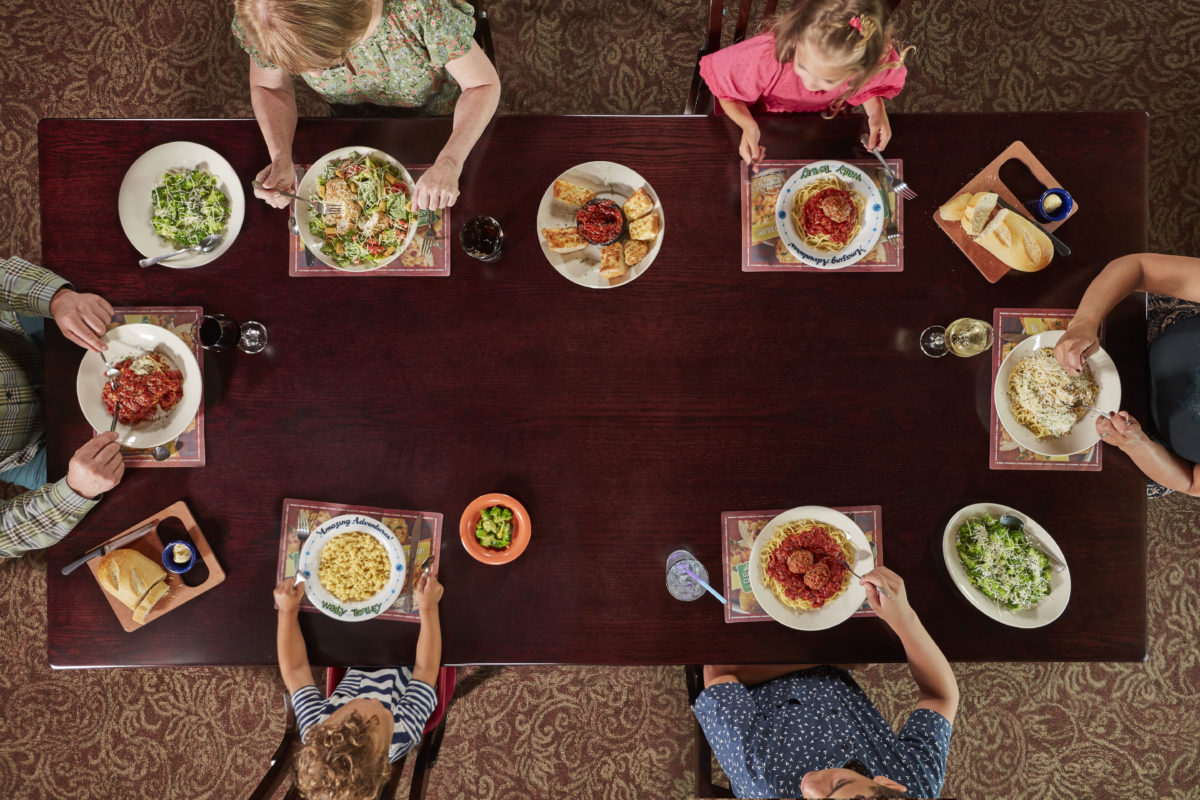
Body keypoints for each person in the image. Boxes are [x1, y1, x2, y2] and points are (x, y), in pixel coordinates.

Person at [694, 566, 957, 799]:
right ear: (889, 784)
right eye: (838, 783)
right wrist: (904, 618)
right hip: (831, 645)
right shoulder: (915, 787)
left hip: (754, 655)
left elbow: (718, 672)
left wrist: (832, 658)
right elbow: (940, 697)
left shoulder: (762, 781)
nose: (810, 788)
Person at [233, 0, 501, 211]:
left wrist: (451, 161)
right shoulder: (262, 17)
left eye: (328, 64)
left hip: (438, 117)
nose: (314, 77)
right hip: (350, 120)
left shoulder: (421, 9)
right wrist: (280, 156)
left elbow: (482, 86)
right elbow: (270, 86)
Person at [273, 568, 443, 800]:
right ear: (384, 760)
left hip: (361, 656)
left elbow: (295, 670)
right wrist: (428, 607)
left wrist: (287, 610)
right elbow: (426, 669)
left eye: (359, 703)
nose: (376, 699)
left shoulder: (315, 728)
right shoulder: (404, 732)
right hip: (413, 657)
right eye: (384, 712)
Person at [0, 256, 125, 558]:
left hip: (24, 340)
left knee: (113, 301)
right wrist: (74, 491)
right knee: (127, 484)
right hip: (32, 450)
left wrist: (57, 299)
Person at [1054, 252, 1200, 495]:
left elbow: (1191, 483)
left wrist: (1135, 445)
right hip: (1142, 333)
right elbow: (1139, 268)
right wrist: (1083, 324)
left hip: (1147, 445)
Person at [699, 0, 910, 168]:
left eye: (827, 80)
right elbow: (727, 95)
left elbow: (869, 87)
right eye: (802, 66)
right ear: (795, 39)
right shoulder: (769, 57)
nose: (810, 84)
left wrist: (876, 111)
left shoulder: (864, 66)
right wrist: (748, 126)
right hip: (763, 121)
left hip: (821, 128)